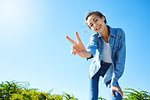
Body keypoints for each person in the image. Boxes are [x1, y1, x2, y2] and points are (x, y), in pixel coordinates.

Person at [66, 11, 126, 100]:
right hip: (96, 68)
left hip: (110, 69)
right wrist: (84, 53)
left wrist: (115, 82)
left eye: (95, 20)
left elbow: (120, 60)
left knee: (117, 96)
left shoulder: (119, 33)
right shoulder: (94, 37)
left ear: (103, 18)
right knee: (92, 98)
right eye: (91, 25)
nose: (94, 25)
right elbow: (90, 50)